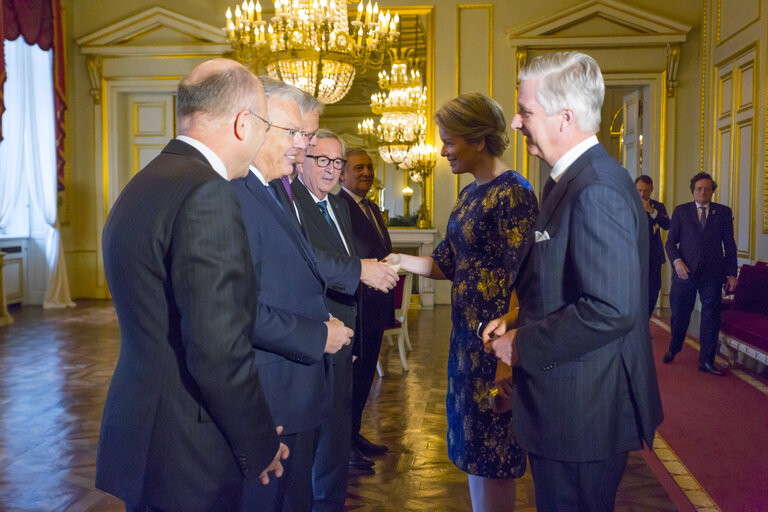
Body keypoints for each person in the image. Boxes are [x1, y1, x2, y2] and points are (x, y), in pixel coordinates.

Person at [96, 58, 287, 512]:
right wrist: (259, 442)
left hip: (142, 428)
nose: (263, 138)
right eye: (264, 125)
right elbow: (218, 349)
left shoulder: (142, 183)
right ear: (244, 123)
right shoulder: (209, 192)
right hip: (187, 443)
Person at [483, 51, 663, 512]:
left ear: (564, 117)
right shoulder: (570, 179)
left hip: (584, 408)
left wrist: (523, 344)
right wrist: (518, 318)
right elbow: (566, 283)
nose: (518, 124)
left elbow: (612, 308)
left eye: (525, 111)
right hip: (571, 397)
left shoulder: (596, 187)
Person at [233, 81, 395, 512]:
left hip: (326, 341)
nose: (302, 149)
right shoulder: (247, 191)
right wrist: (319, 332)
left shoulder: (322, 200)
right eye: (297, 136)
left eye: (331, 158)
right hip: (285, 359)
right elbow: (245, 303)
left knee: (317, 464)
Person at [385, 92, 538, 512]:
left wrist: (508, 359)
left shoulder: (514, 194)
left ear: (479, 140)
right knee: (473, 451)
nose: (443, 150)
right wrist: (399, 260)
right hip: (466, 345)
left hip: (497, 346)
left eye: (449, 141)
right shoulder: (471, 193)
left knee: (496, 455)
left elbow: (528, 281)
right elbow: (446, 263)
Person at [292, 129, 360, 510]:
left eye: (337, 162)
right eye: (322, 160)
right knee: (310, 443)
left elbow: (349, 280)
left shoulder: (340, 207)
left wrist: (355, 342)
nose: (332, 170)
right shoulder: (292, 204)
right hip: (313, 334)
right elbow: (310, 268)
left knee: (336, 437)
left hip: (344, 339)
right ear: (302, 161)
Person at [337, 147, 395, 471]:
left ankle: (354, 434)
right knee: (351, 380)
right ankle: (343, 446)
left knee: (365, 378)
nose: (366, 173)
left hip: (374, 310)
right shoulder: (338, 207)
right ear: (344, 173)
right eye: (359, 167)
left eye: (370, 168)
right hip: (354, 308)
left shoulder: (371, 207)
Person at [662, 172, 738, 375]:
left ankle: (706, 361)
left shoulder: (722, 213)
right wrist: (676, 261)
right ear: (693, 191)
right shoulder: (681, 211)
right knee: (679, 316)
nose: (702, 192)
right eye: (699, 189)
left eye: (707, 188)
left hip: (712, 275)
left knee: (710, 317)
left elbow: (729, 244)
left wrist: (732, 274)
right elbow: (670, 243)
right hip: (684, 273)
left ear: (712, 191)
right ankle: (674, 347)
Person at [635, 175, 670, 317]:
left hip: (653, 257)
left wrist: (652, 211)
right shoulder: (627, 204)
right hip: (633, 257)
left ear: (651, 190)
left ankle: (645, 321)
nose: (642, 194)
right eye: (639, 190)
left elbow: (667, 225)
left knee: (653, 290)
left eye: (646, 191)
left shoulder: (658, 206)